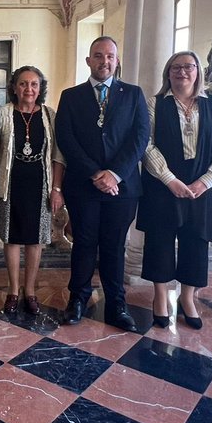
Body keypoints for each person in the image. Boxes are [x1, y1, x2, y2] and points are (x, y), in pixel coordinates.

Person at [55, 36, 149, 329]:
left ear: (116, 61)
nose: (104, 61)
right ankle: (78, 300)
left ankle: (117, 304)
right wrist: (96, 174)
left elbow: (140, 137)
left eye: (110, 56)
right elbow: (66, 139)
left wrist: (115, 174)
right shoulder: (71, 96)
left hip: (123, 187)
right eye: (98, 56)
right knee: (83, 242)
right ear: (89, 61)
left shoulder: (133, 94)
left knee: (113, 245)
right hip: (83, 185)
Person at [137, 51, 212, 330]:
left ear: (198, 72)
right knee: (160, 241)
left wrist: (206, 181)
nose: (182, 72)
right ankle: (160, 297)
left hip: (203, 186)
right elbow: (146, 143)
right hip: (162, 184)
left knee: (196, 242)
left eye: (188, 67)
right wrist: (169, 179)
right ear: (168, 73)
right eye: (176, 67)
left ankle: (188, 298)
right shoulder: (155, 104)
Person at [0, 66, 65, 315]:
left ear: (40, 88)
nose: (29, 89)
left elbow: (57, 155)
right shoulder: (3, 114)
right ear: (14, 87)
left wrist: (56, 188)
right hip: (10, 184)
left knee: (36, 239)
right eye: (23, 84)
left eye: (34, 84)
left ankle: (30, 291)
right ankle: (13, 290)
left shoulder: (50, 115)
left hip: (40, 185)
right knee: (11, 238)